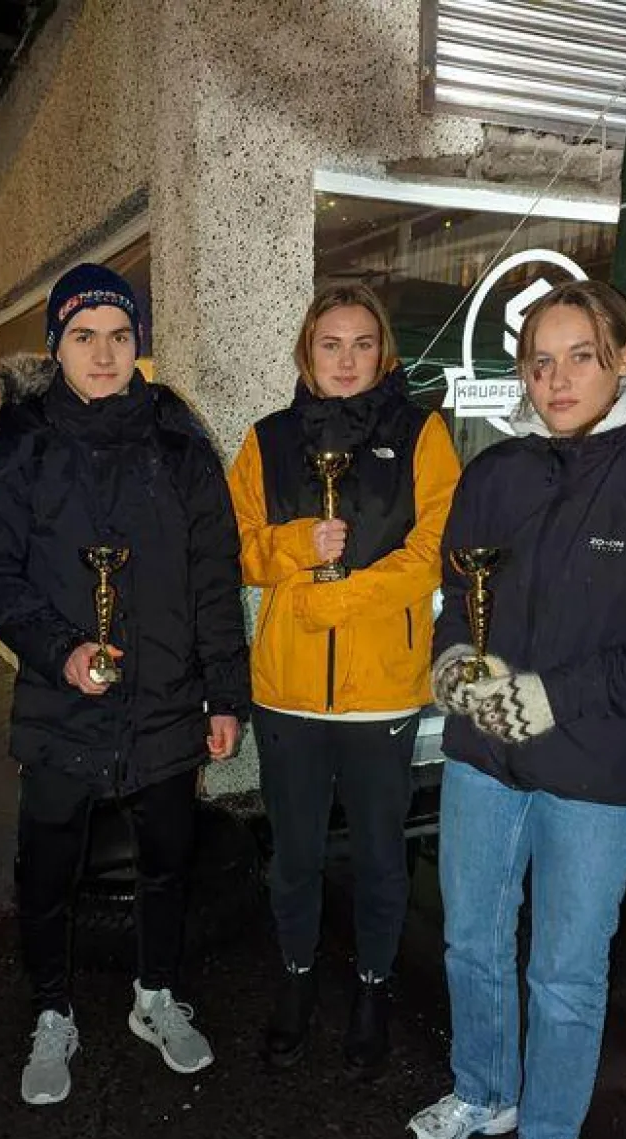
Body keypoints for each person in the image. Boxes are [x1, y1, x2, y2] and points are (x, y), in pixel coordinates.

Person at [407, 279, 626, 1139]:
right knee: (470, 940)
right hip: (482, 756)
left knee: (566, 975)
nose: (558, 378)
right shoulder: (498, 470)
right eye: (540, 361)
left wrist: (554, 694)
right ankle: (484, 1089)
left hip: (599, 769)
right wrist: (452, 662)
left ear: (625, 357)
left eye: (581, 355)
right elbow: (457, 592)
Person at [0, 262, 249, 1105]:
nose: (104, 353)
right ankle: (51, 1009)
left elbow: (213, 575)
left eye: (120, 336)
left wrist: (225, 694)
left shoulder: (178, 441)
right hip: (62, 704)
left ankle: (154, 993)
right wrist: (59, 652)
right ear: (56, 346)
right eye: (84, 335)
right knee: (49, 866)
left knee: (167, 861)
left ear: (137, 345)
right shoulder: (17, 447)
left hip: (166, 702)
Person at [227, 282, 460, 1073]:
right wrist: (296, 544)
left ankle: (372, 986)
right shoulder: (267, 440)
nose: (347, 359)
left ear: (383, 352)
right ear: (307, 352)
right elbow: (235, 547)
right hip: (286, 691)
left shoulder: (422, 434)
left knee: (380, 856)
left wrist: (348, 597)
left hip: (381, 690)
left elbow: (436, 548)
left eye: (363, 343)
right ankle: (296, 977)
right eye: (331, 344)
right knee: (293, 854)